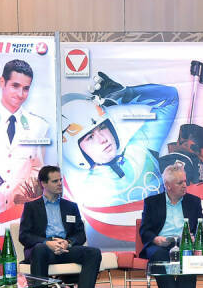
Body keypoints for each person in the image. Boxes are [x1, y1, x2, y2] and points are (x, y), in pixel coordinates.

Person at [60, 73, 178, 206]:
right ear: (74, 150)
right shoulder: (84, 195)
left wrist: (126, 94)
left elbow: (170, 97)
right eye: (90, 137)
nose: (103, 139)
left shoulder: (140, 150)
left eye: (103, 127)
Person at [18, 165, 102, 288]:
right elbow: (24, 235)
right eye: (55, 181)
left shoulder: (70, 206)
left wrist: (68, 242)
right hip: (43, 250)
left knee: (93, 253)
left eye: (60, 180)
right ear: (43, 183)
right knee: (40, 249)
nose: (60, 184)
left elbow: (80, 234)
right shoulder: (31, 207)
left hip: (65, 248)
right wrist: (46, 242)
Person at [0, 60, 53, 215]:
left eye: (26, 88)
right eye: (15, 86)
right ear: (2, 82)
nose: (20, 94)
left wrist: (24, 195)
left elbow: (37, 166)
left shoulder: (39, 126)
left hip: (20, 212)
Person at [139, 165, 203, 288]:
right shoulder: (152, 202)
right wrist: (156, 239)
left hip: (186, 243)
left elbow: (202, 227)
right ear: (168, 186)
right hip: (161, 243)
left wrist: (194, 237)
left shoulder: (193, 201)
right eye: (179, 183)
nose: (185, 185)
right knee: (157, 254)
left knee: (190, 254)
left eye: (185, 181)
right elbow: (144, 230)